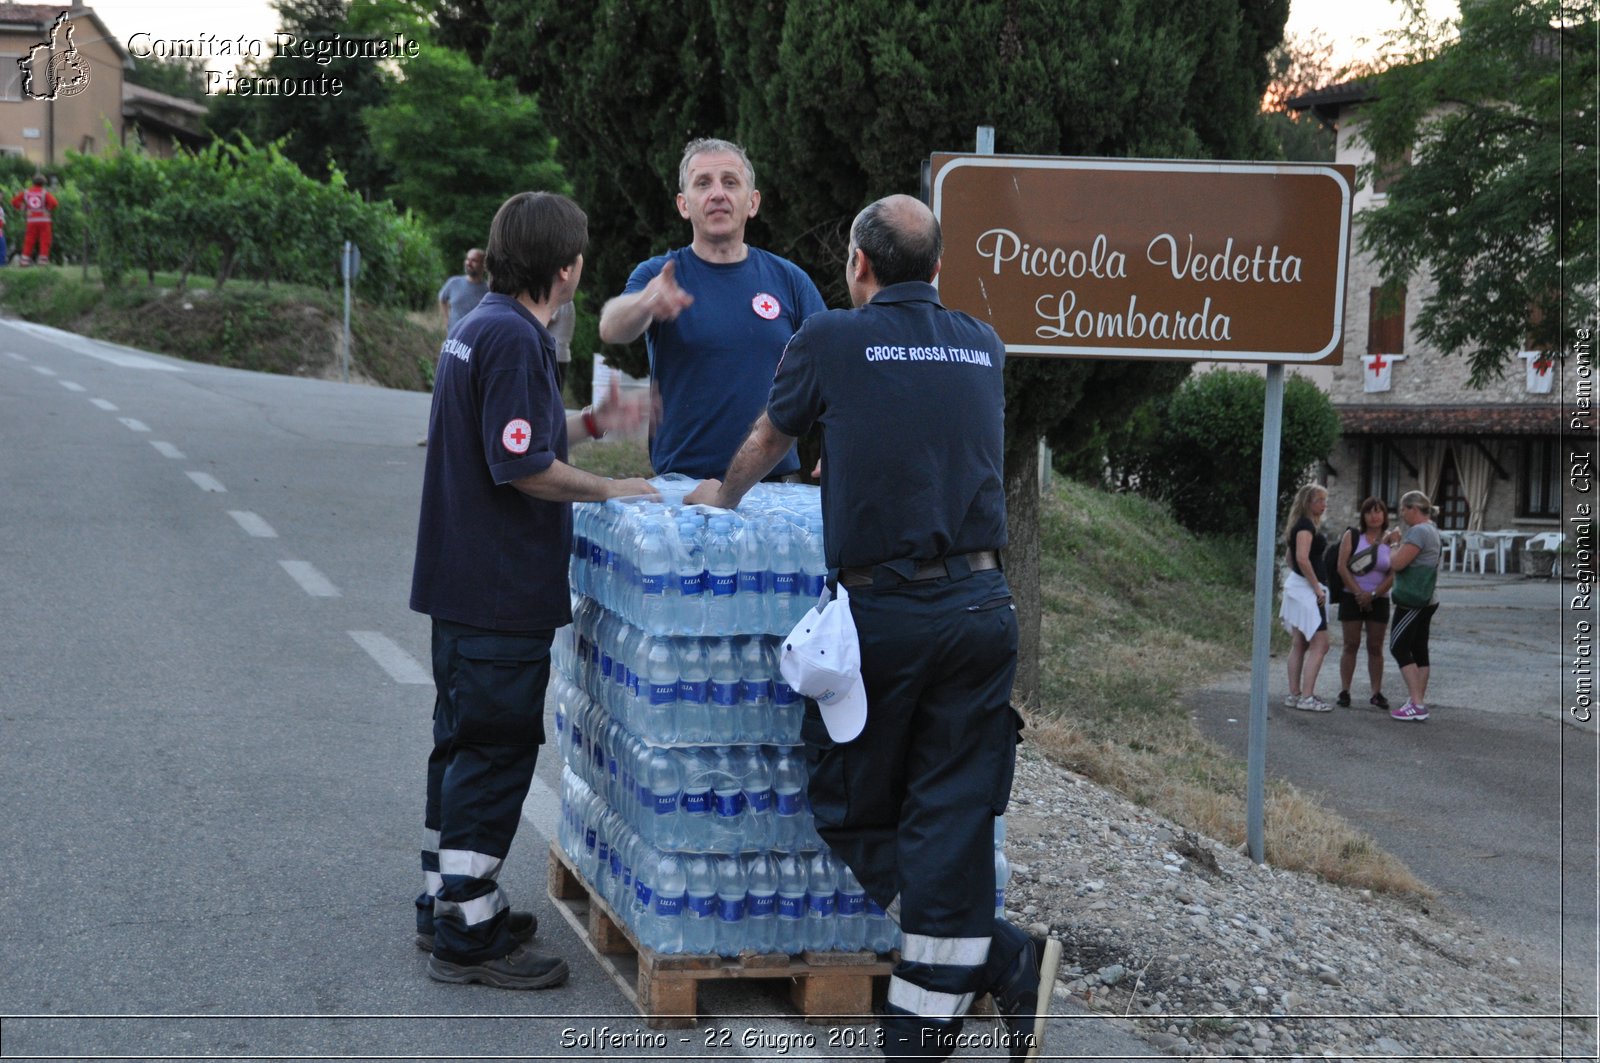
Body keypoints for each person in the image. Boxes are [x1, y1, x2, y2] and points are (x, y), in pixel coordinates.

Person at [686, 194, 1057, 1062]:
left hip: (888, 614)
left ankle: (979, 973)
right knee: (949, 811)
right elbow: (925, 427)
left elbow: (770, 434)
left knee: (847, 796)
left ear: (859, 264)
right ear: (936, 270)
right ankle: (962, 992)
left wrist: (720, 495)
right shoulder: (982, 343)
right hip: (982, 608)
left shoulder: (829, 340)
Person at [409, 191, 653, 990]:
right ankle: (469, 933)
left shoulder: (482, 325)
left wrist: (592, 421)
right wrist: (613, 491)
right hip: (497, 589)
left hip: (459, 582)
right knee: (494, 747)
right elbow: (521, 466)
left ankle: (445, 898)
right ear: (567, 267)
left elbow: (513, 433)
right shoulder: (515, 339)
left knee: (459, 741)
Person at [598, 137, 826, 480]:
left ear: (752, 202)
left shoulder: (789, 280)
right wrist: (647, 302)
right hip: (683, 486)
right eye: (703, 183)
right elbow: (612, 328)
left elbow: (830, 367)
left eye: (730, 182)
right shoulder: (657, 274)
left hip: (771, 484)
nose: (717, 193)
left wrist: (836, 445)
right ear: (683, 204)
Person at [1386, 490, 1443, 721]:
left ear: (1413, 509)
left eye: (1403, 509)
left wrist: (1393, 543)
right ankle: (1417, 699)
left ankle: (1417, 703)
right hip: (1429, 598)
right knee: (1419, 649)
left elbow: (1397, 564)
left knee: (1398, 646)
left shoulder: (1419, 532)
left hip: (1413, 599)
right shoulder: (1432, 529)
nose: (1401, 514)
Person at [1334, 497, 1395, 710]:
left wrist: (1374, 594)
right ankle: (1345, 690)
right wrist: (1359, 593)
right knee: (1351, 644)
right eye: (1370, 512)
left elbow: (1393, 573)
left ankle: (1376, 692)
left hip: (1379, 599)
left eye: (1379, 511)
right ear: (1363, 515)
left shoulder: (1391, 541)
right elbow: (1342, 567)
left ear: (1385, 515)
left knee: (1375, 646)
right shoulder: (1352, 536)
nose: (1374, 516)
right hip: (1352, 596)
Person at [1278, 482, 1332, 711]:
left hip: (1301, 587)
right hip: (1309, 590)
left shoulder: (1299, 525)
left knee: (1300, 642)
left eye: (1324, 500)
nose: (1323, 504)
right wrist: (1316, 588)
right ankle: (1306, 696)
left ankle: (1295, 694)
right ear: (1307, 502)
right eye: (1319, 500)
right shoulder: (1305, 526)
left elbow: (1290, 558)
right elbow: (1301, 558)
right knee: (1320, 644)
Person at [437, 248, 489, 329]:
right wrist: (446, 319)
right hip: (454, 336)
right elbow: (442, 298)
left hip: (476, 337)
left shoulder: (488, 290)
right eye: (468, 259)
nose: (469, 263)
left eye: (474, 260)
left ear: (483, 265)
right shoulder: (453, 283)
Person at [11, 174, 55, 266]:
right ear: (43, 183)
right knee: (45, 240)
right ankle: (43, 260)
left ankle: (24, 261)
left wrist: (24, 208)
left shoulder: (26, 192)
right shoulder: (44, 193)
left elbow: (14, 202)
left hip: (31, 220)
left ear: (33, 182)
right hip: (44, 220)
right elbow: (54, 203)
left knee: (29, 240)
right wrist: (48, 209)